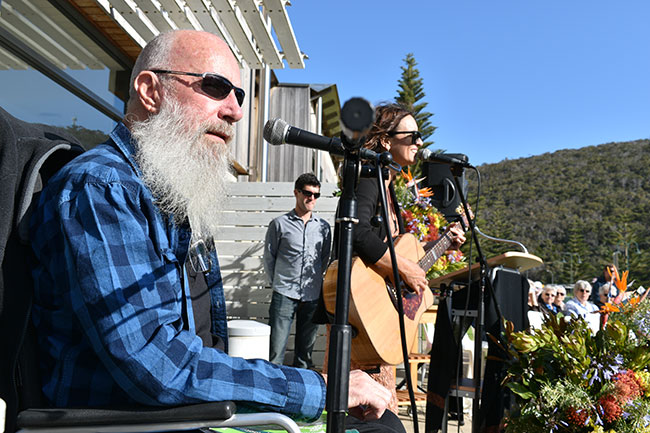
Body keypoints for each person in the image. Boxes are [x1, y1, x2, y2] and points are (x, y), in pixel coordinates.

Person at [29, 29, 402, 431]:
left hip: (189, 417)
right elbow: (154, 363)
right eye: (215, 87)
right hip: (133, 423)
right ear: (150, 90)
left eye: (239, 96)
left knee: (380, 423)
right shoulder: (102, 188)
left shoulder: (175, 194)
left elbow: (204, 347)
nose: (235, 111)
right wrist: (318, 387)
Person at [321, 103, 466, 413]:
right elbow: (357, 233)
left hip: (377, 327)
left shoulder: (387, 187)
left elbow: (398, 255)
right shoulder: (369, 178)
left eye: (421, 136)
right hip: (361, 322)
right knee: (368, 419)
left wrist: (445, 244)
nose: (420, 142)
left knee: (378, 418)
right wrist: (403, 268)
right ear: (386, 141)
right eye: (413, 136)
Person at [265, 173, 331, 369]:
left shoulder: (323, 228)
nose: (311, 198)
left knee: (305, 354)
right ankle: (272, 392)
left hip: (312, 296)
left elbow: (324, 259)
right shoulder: (279, 224)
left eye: (316, 195)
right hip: (284, 293)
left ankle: (301, 393)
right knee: (275, 351)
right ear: (296, 192)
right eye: (307, 193)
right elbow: (270, 257)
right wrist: (276, 285)